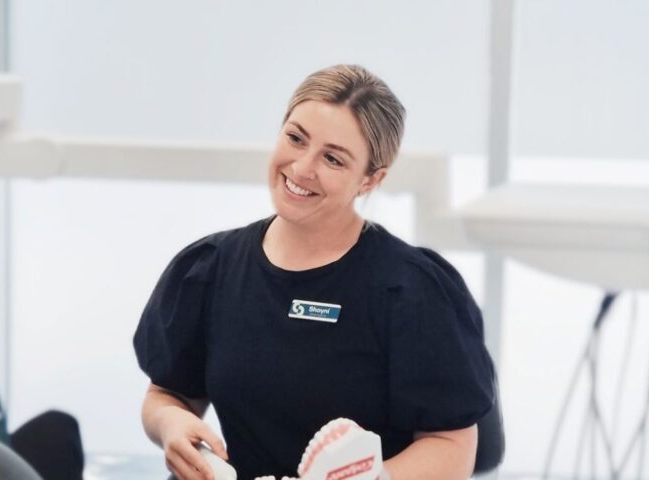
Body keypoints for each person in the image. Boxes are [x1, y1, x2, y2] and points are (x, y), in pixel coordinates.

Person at [133, 64, 496, 480]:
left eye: (333, 159)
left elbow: (453, 445)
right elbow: (166, 395)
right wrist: (171, 426)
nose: (303, 168)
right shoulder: (209, 269)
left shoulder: (411, 290)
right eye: (295, 138)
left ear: (370, 180)